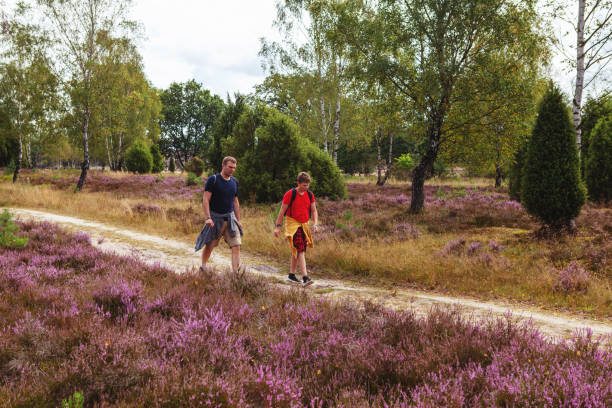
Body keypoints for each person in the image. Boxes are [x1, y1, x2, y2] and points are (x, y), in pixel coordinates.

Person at [195, 156, 243, 273]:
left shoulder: (234, 182)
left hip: (230, 219)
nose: (232, 170)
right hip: (215, 219)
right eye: (230, 167)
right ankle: (204, 267)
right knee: (210, 245)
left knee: (236, 245)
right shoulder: (214, 179)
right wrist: (208, 218)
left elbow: (235, 202)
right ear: (223, 166)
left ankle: (236, 273)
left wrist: (238, 220)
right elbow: (205, 199)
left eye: (234, 168)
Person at [274, 172, 319, 286]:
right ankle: (305, 277)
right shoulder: (290, 194)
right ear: (298, 183)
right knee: (300, 249)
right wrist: (278, 227)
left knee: (297, 249)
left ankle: (291, 275)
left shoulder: (309, 194)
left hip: (304, 225)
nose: (306, 187)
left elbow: (313, 210)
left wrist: (315, 224)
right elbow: (282, 211)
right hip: (292, 225)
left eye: (308, 185)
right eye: (304, 185)